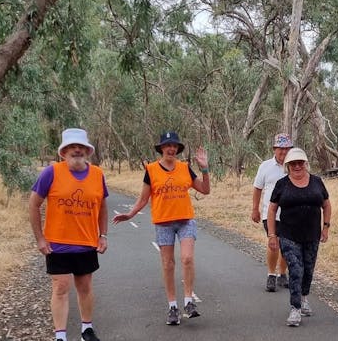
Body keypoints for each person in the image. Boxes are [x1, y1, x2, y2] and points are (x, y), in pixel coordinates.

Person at [112, 131, 210, 326]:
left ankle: (189, 303)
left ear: (177, 149)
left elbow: (205, 190)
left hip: (185, 221)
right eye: (167, 146)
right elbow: (143, 199)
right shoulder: (151, 170)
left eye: (174, 146)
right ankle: (173, 306)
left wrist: (205, 169)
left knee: (187, 258)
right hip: (163, 222)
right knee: (168, 264)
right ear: (162, 149)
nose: (171, 148)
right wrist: (130, 214)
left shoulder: (185, 168)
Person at [29, 128, 109, 341]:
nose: (76, 149)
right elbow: (34, 204)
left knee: (85, 287)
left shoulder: (98, 174)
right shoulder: (51, 172)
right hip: (57, 244)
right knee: (61, 287)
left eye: (80, 146)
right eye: (71, 146)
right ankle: (61, 336)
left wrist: (103, 235)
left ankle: (87, 329)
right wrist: (40, 238)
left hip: (86, 242)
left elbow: (102, 206)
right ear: (63, 152)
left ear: (87, 150)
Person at [267, 147, 331, 327]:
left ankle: (303, 298)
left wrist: (325, 227)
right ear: (287, 166)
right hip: (288, 235)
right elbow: (272, 210)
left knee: (308, 270)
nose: (297, 166)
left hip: (312, 235)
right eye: (293, 163)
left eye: (300, 163)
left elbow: (326, 205)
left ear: (305, 163)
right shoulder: (282, 184)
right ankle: (295, 308)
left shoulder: (317, 182)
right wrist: (272, 234)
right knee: (296, 269)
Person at [251, 133, 293, 292]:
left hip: (291, 213)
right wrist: (255, 208)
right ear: (274, 149)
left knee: (287, 246)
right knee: (274, 243)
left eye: (287, 149)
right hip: (270, 214)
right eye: (281, 149)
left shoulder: (294, 165)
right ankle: (271, 274)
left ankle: (283, 274)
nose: (284, 152)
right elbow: (257, 188)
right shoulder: (265, 166)